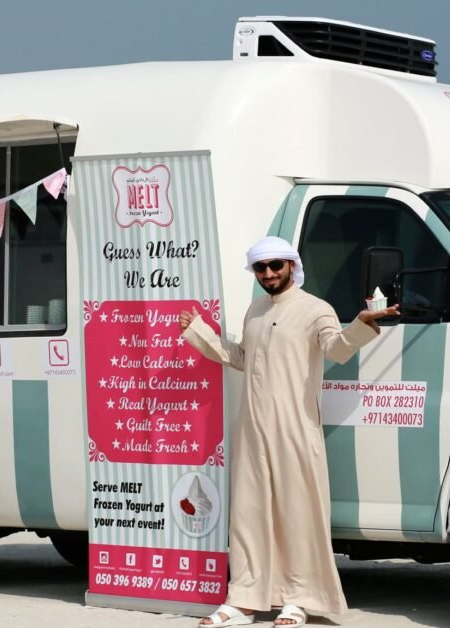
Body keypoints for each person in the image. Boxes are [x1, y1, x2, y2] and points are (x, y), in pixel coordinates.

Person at [182, 236, 399, 628]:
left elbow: (336, 348)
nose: (268, 274)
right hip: (253, 428)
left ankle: (298, 599)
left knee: (298, 514)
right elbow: (242, 357)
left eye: (275, 265)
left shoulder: (315, 309)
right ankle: (243, 599)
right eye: (261, 267)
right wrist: (199, 332)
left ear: (291, 266)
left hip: (296, 429)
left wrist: (361, 326)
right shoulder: (255, 310)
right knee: (247, 516)